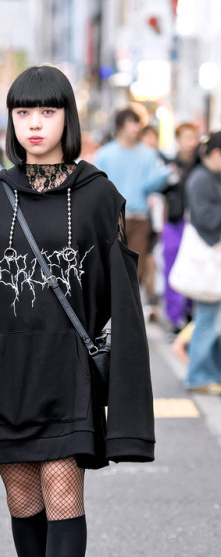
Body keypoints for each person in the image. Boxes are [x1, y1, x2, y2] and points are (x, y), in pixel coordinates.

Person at [0, 65, 155, 557]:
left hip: (67, 371)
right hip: (4, 372)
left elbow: (114, 297)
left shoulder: (99, 194)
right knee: (23, 501)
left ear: (67, 120)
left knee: (60, 491)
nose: (34, 124)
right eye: (23, 113)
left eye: (47, 112)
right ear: (12, 121)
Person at [94, 109, 171, 294]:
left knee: (137, 270)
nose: (136, 128)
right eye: (132, 122)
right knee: (111, 267)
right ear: (120, 126)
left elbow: (150, 186)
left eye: (138, 123)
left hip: (140, 218)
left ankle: (129, 312)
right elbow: (97, 188)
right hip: (112, 218)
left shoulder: (149, 154)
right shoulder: (104, 154)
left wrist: (165, 175)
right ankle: (112, 310)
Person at [183, 132, 221, 394]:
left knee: (210, 321)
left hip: (209, 262)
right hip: (207, 262)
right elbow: (207, 220)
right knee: (207, 320)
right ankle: (198, 376)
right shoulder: (201, 179)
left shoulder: (206, 177)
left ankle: (209, 374)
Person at [161, 123, 199, 332]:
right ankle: (175, 319)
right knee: (172, 269)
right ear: (178, 139)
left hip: (195, 225)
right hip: (174, 223)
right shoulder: (169, 164)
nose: (190, 142)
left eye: (193, 137)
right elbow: (156, 188)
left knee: (196, 268)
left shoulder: (201, 164)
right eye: (186, 137)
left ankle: (192, 316)